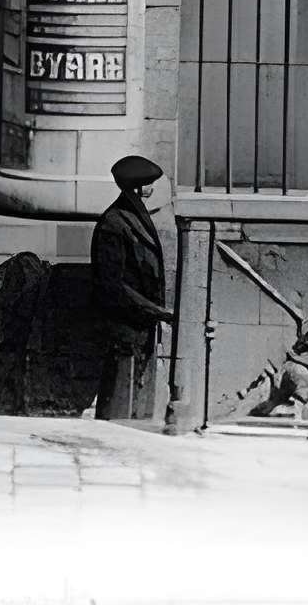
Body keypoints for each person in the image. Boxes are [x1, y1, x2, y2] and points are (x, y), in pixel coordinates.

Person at [91, 155, 172, 423]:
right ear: (136, 188)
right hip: (124, 330)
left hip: (139, 328)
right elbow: (112, 285)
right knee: (119, 407)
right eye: (148, 184)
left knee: (135, 408)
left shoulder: (133, 218)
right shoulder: (114, 223)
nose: (152, 189)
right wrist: (156, 311)